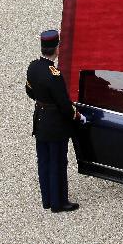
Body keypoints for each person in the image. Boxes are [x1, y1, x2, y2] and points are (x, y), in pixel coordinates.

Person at [25, 30, 85, 212]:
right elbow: (65, 106)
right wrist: (78, 116)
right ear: (56, 49)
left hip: (41, 121)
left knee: (43, 161)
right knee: (58, 162)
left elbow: (29, 92)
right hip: (56, 126)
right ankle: (59, 203)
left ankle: (47, 200)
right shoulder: (55, 75)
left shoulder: (33, 67)